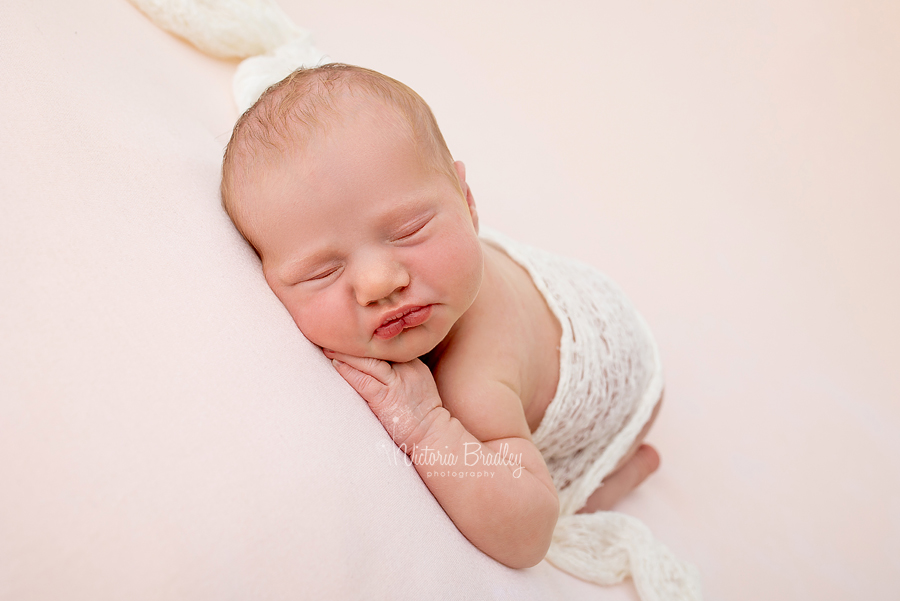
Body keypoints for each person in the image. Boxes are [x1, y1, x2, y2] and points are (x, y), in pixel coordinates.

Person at [221, 63, 665, 573]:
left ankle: (624, 472)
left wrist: (427, 428)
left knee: (568, 503)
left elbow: (528, 533)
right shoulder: (424, 270)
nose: (377, 283)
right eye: (323, 271)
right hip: (539, 293)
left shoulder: (475, 378)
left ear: (468, 201)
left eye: (408, 229)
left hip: (624, 382)